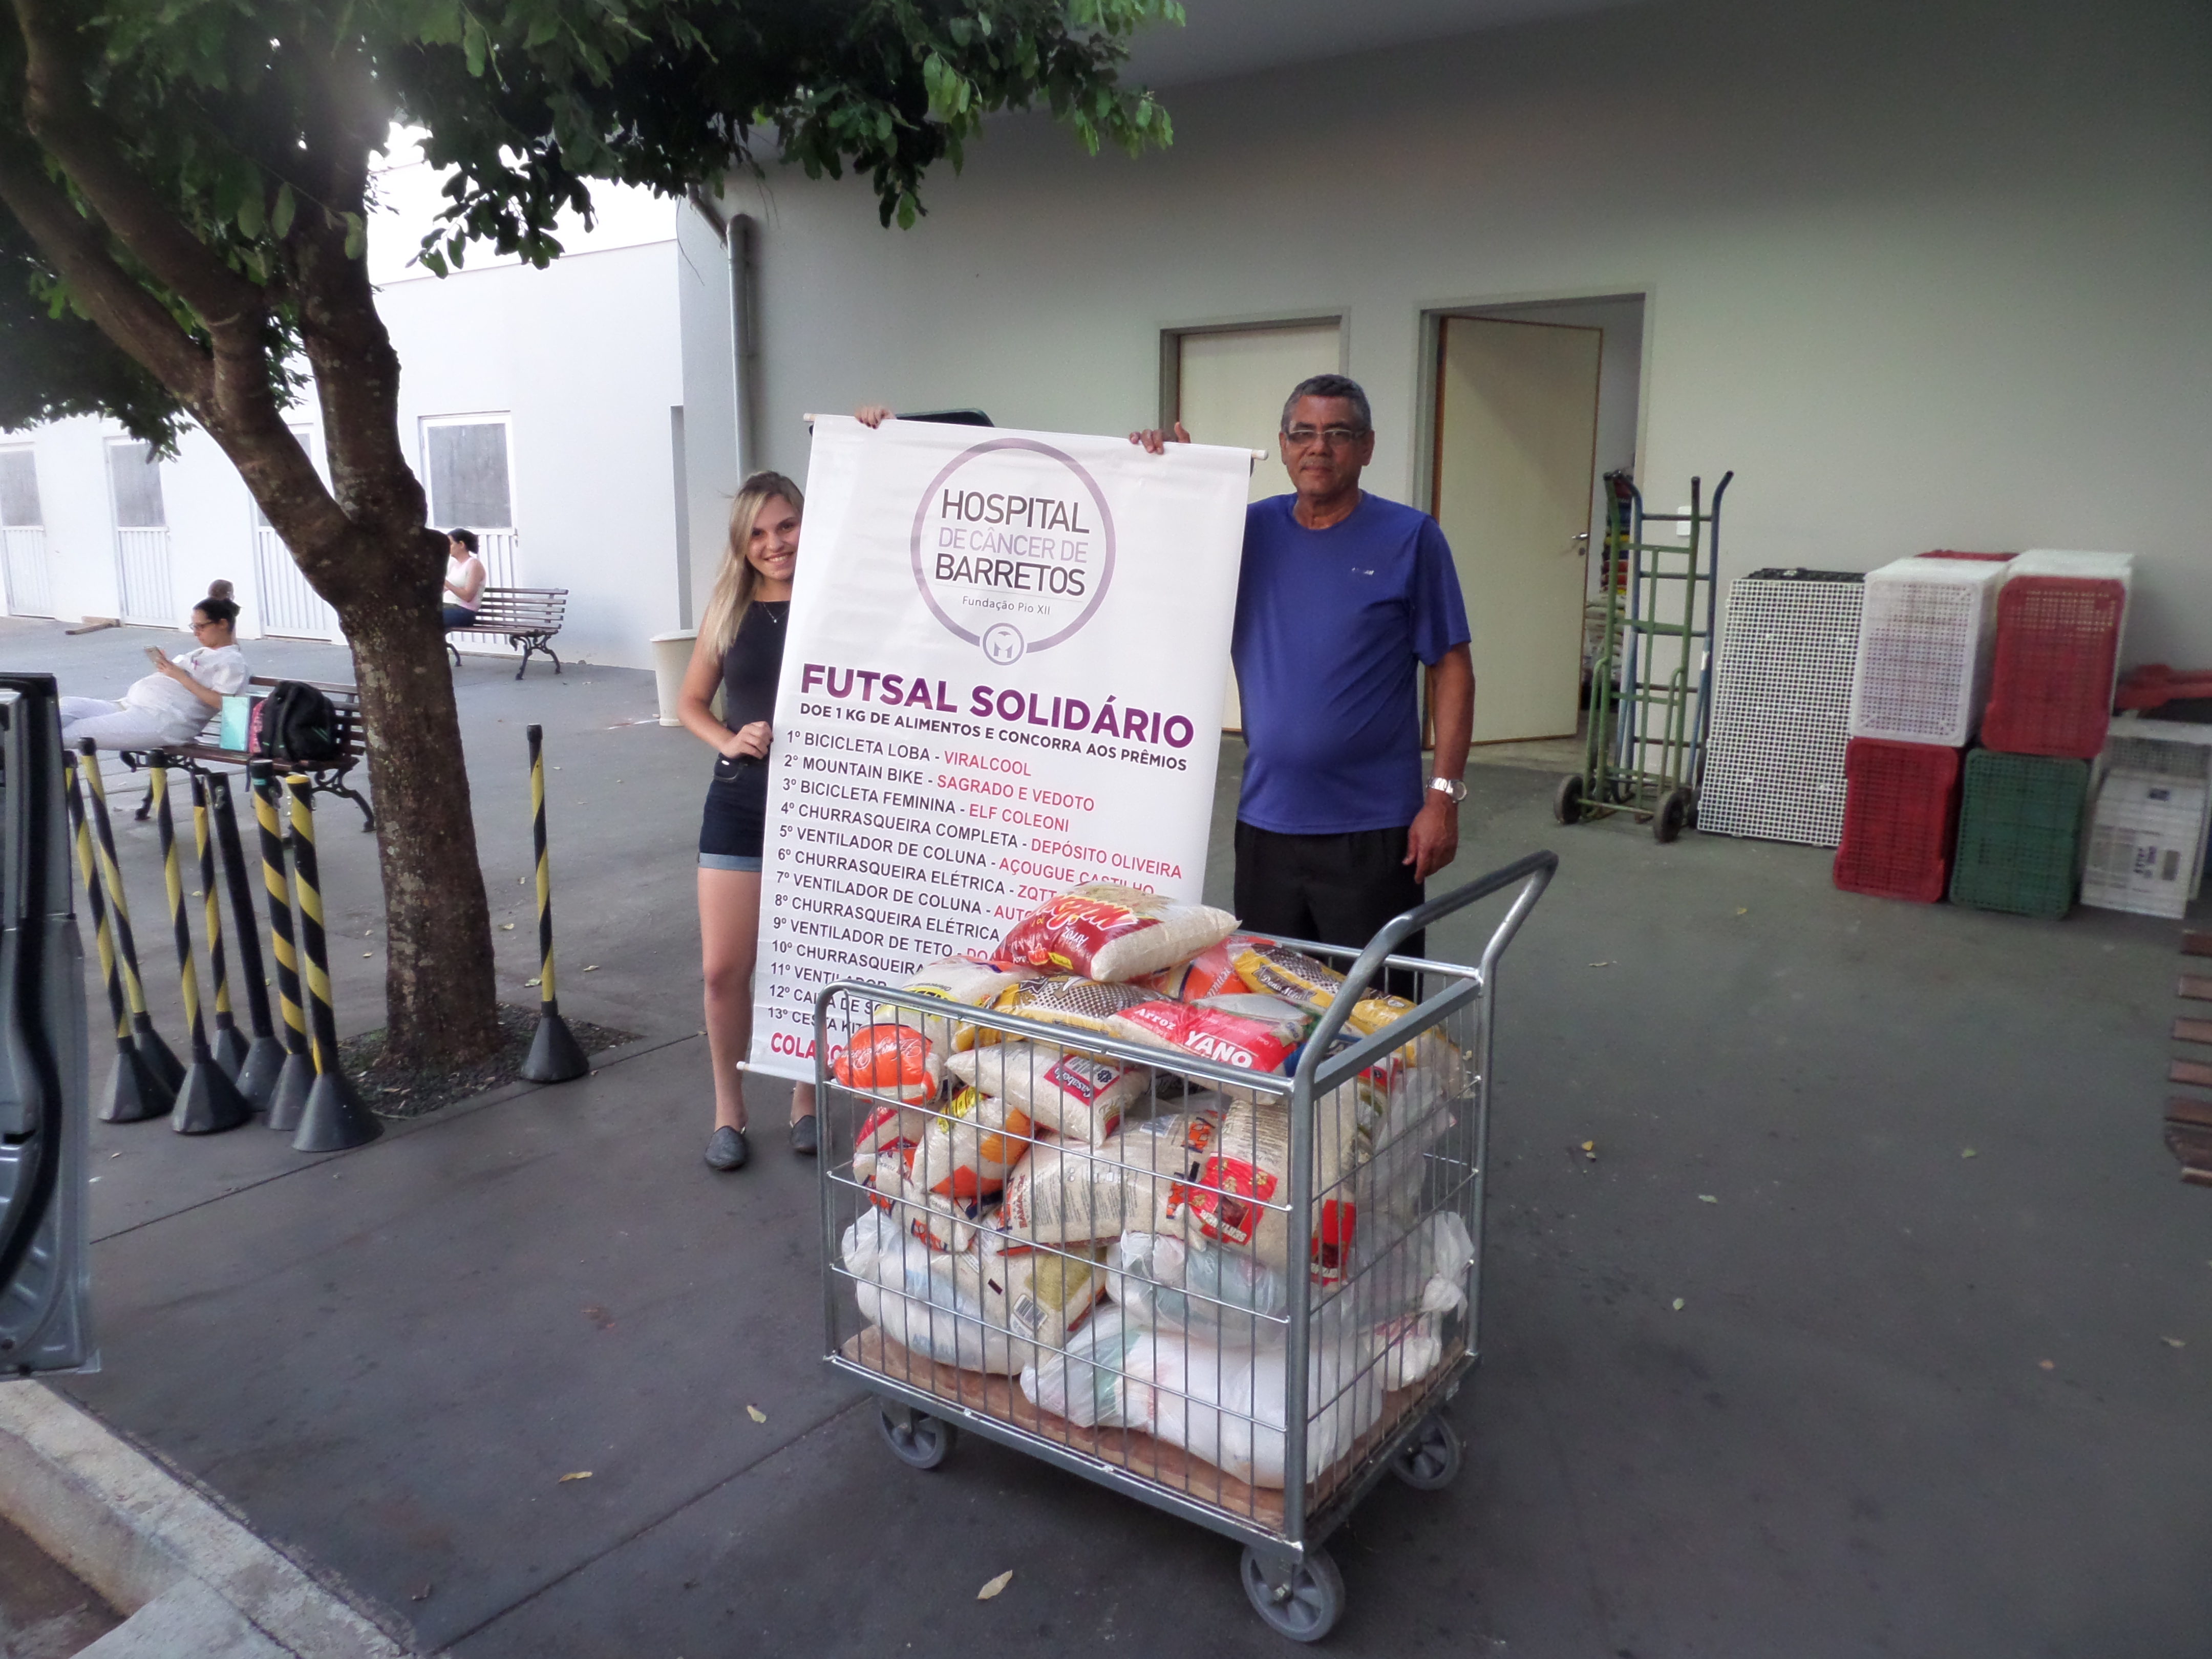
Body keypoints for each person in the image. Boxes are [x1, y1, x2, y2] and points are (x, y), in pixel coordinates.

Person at [1132, 374, 1475, 970]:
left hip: (1374, 831)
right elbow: (1160, 572)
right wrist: (1176, 478)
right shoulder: (1245, 534)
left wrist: (1443, 797)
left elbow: (1452, 669)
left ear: (1367, 447)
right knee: (1270, 1001)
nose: (1319, 447)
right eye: (1304, 433)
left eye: (1338, 434)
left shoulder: (1410, 538)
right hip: (1267, 827)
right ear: (1283, 445)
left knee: (1374, 1007)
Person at [676, 472, 815, 1170]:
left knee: (809, 958)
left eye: (786, 525)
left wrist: (875, 434)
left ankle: (806, 1098)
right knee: (722, 969)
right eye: (758, 533)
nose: (774, 543)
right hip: (741, 804)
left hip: (824, 805)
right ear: (742, 542)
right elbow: (691, 702)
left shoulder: (836, 599)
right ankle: (729, 1112)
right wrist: (728, 739)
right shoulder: (729, 607)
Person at [60, 582, 250, 751]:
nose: (196, 633)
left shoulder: (232, 661)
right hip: (131, 705)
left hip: (160, 720)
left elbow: (225, 703)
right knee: (66, 706)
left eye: (201, 627)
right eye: (194, 627)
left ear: (222, 624)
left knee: (62, 736)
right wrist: (166, 668)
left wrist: (180, 676)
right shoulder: (203, 652)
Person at [442, 529, 486, 628]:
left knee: (427, 618)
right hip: (447, 607)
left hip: (463, 611)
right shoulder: (453, 564)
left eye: (451, 544)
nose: (447, 547)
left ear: (461, 545)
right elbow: (445, 590)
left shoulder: (474, 564)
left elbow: (468, 596)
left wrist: (446, 583)